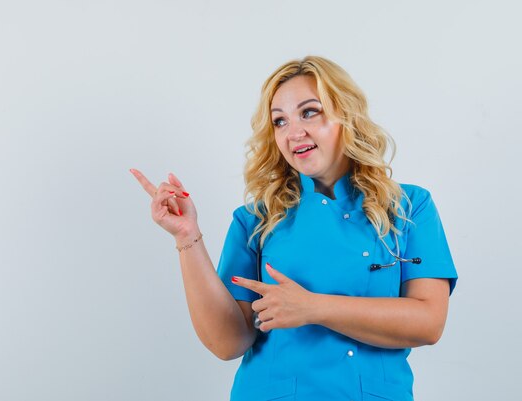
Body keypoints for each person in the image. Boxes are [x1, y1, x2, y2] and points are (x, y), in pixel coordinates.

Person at [130, 56, 458, 401]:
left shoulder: (409, 207)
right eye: (280, 121)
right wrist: (187, 237)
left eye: (309, 112)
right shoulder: (256, 219)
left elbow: (429, 322)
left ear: (347, 115)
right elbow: (227, 343)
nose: (293, 132)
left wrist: (314, 307)